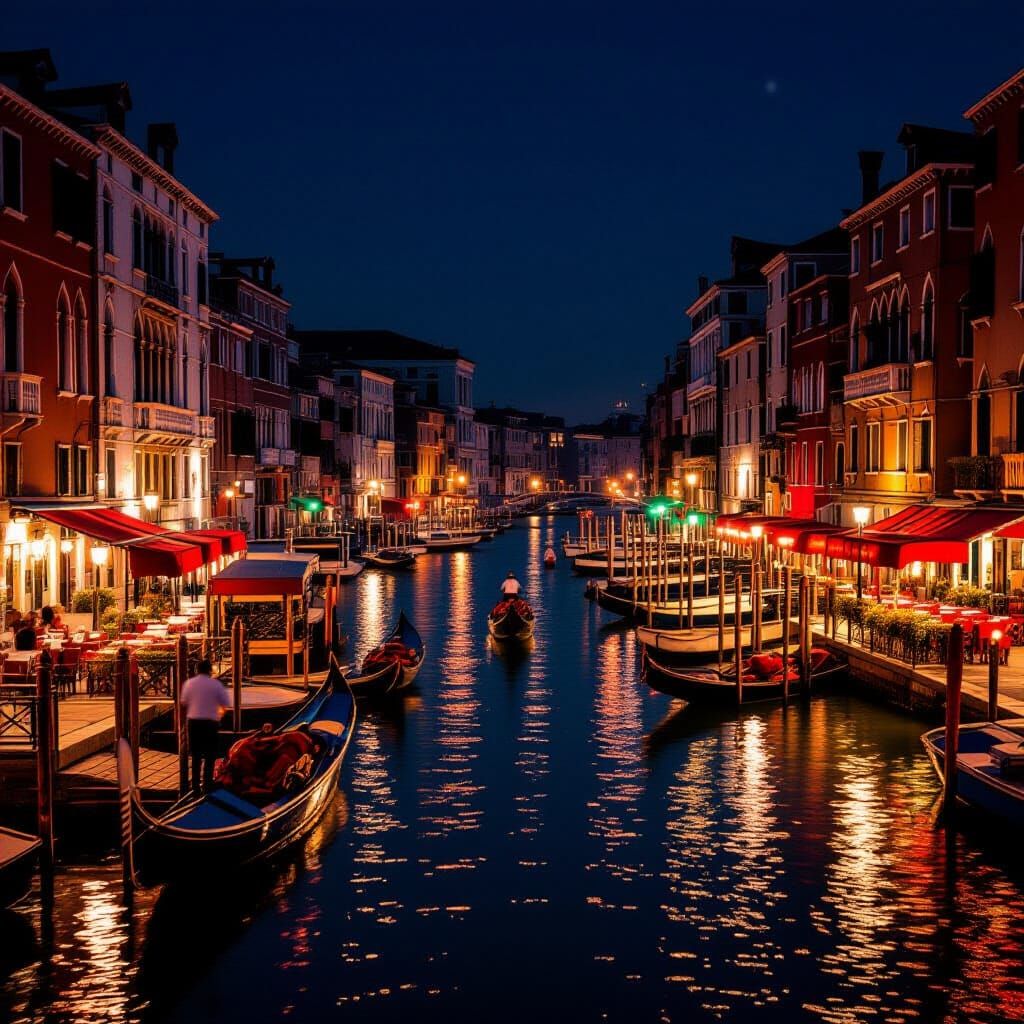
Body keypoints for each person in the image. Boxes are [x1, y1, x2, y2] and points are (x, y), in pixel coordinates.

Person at [180, 658, 232, 794]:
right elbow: (225, 704)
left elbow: (184, 702)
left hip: (194, 722)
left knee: (196, 755)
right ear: (209, 670)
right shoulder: (215, 685)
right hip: (210, 723)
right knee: (210, 755)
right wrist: (219, 715)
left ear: (197, 670)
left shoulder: (189, 684)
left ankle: (195, 786)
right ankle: (207, 785)